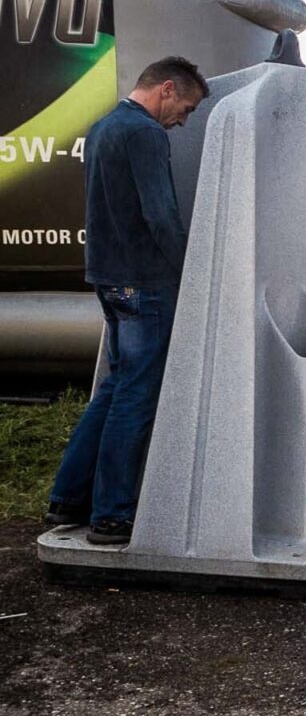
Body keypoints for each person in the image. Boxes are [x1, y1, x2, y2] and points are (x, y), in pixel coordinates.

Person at [45, 56, 209, 545]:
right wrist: (193, 273)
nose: (184, 120)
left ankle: (67, 500)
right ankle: (111, 516)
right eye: (186, 106)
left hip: (109, 276)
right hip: (144, 281)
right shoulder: (144, 134)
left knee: (115, 390)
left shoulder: (102, 128)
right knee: (135, 398)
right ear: (165, 89)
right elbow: (160, 214)